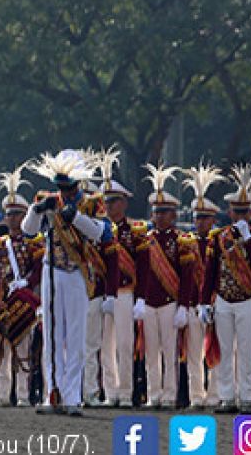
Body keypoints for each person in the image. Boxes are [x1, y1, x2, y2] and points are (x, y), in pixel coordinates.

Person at [23, 150, 111, 416]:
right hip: (52, 271)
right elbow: (28, 231)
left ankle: (72, 396)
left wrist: (76, 218)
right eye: (61, 187)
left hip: (77, 273)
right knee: (52, 335)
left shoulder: (92, 203)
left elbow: (102, 234)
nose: (65, 192)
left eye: (69, 187)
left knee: (75, 337)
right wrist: (36, 211)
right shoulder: (47, 199)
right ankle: (54, 394)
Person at [202, 165, 251, 413]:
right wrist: (204, 301)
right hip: (225, 299)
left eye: (244, 212)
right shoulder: (218, 237)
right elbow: (210, 270)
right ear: (229, 211)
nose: (240, 216)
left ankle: (247, 397)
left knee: (246, 350)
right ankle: (227, 396)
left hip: (247, 299)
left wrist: (248, 239)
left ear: (250, 212)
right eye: (236, 211)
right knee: (226, 350)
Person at [134, 164, 196, 409]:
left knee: (170, 352)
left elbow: (187, 277)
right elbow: (140, 273)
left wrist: (183, 305)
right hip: (148, 303)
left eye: (164, 212)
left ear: (173, 215)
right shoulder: (144, 241)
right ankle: (153, 395)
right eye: (156, 211)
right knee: (150, 353)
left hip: (170, 303)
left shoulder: (181, 241)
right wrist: (139, 299)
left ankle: (170, 395)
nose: (159, 216)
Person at [0, 165, 42, 407]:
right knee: (1, 348)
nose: (12, 219)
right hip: (3, 300)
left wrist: (28, 283)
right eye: (9, 214)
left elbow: (39, 268)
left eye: (17, 214)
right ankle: (2, 394)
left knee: (23, 349)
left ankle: (22, 394)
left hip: (23, 299)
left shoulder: (33, 243)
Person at [97, 149, 141, 408]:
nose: (109, 206)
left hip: (125, 292)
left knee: (125, 345)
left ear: (123, 202)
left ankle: (125, 394)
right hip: (102, 294)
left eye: (113, 201)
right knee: (105, 347)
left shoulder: (133, 231)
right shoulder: (97, 229)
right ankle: (110, 392)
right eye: (106, 201)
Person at [180, 162, 224, 409]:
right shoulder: (187, 242)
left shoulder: (220, 242)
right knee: (193, 353)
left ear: (213, 219)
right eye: (196, 218)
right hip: (192, 304)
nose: (199, 222)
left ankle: (215, 394)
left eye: (204, 218)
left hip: (215, 302)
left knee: (217, 351)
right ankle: (197, 396)